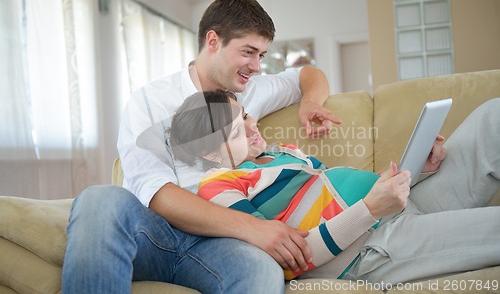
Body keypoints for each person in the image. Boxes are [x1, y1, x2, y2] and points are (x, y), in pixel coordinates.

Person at [62, 0, 341, 294]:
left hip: (221, 247)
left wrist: (310, 102)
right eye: (248, 52)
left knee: (260, 269)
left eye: (260, 55)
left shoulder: (251, 89)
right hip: (156, 236)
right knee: (99, 199)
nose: (257, 66)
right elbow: (158, 194)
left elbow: (308, 74)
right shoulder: (150, 100)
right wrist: (255, 228)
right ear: (213, 41)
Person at [169, 90, 500, 287]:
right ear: (211, 153)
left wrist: (414, 172)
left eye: (246, 116)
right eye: (239, 129)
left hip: (403, 203)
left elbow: (347, 191)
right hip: (371, 246)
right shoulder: (219, 188)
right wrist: (371, 209)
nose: (254, 128)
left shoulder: (277, 154)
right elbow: (288, 261)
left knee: (492, 116)